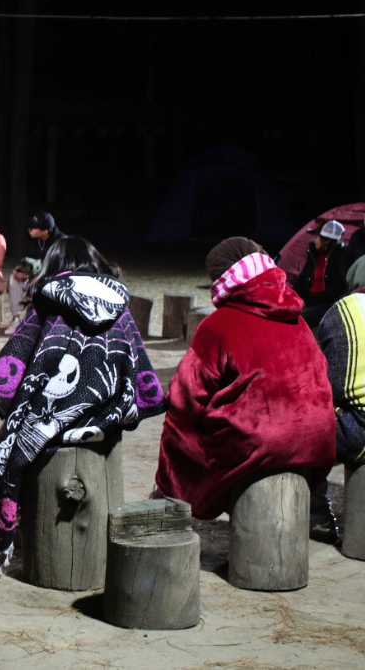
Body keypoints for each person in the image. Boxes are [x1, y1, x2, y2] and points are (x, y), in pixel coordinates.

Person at [0, 237, 164, 577]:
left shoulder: (48, 303)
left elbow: (17, 367)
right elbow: (137, 367)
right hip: (105, 419)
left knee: (11, 436)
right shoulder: (119, 304)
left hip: (51, 420)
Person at [155, 238, 336, 536]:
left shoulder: (218, 325)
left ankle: (170, 501)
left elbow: (185, 400)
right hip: (318, 440)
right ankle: (316, 505)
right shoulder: (298, 320)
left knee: (178, 427)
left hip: (261, 443)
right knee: (290, 427)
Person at [316, 281, 365, 542]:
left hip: (358, 434)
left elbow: (331, 388)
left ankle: (317, 516)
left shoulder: (344, 312)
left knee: (300, 433)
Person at [5, 211, 66, 335]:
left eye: (33, 228)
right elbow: (29, 260)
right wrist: (20, 270)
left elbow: (59, 269)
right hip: (34, 278)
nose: (29, 230)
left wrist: (34, 276)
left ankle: (43, 322)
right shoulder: (34, 239)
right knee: (13, 278)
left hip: (54, 281)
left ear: (45, 231)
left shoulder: (61, 243)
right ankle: (16, 318)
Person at [295, 219, 347, 329]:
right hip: (308, 300)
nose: (314, 240)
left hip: (326, 304)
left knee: (301, 319)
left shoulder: (340, 258)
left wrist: (307, 301)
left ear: (327, 240)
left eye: (317, 237)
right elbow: (303, 278)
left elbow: (334, 292)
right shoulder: (314, 254)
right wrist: (293, 297)